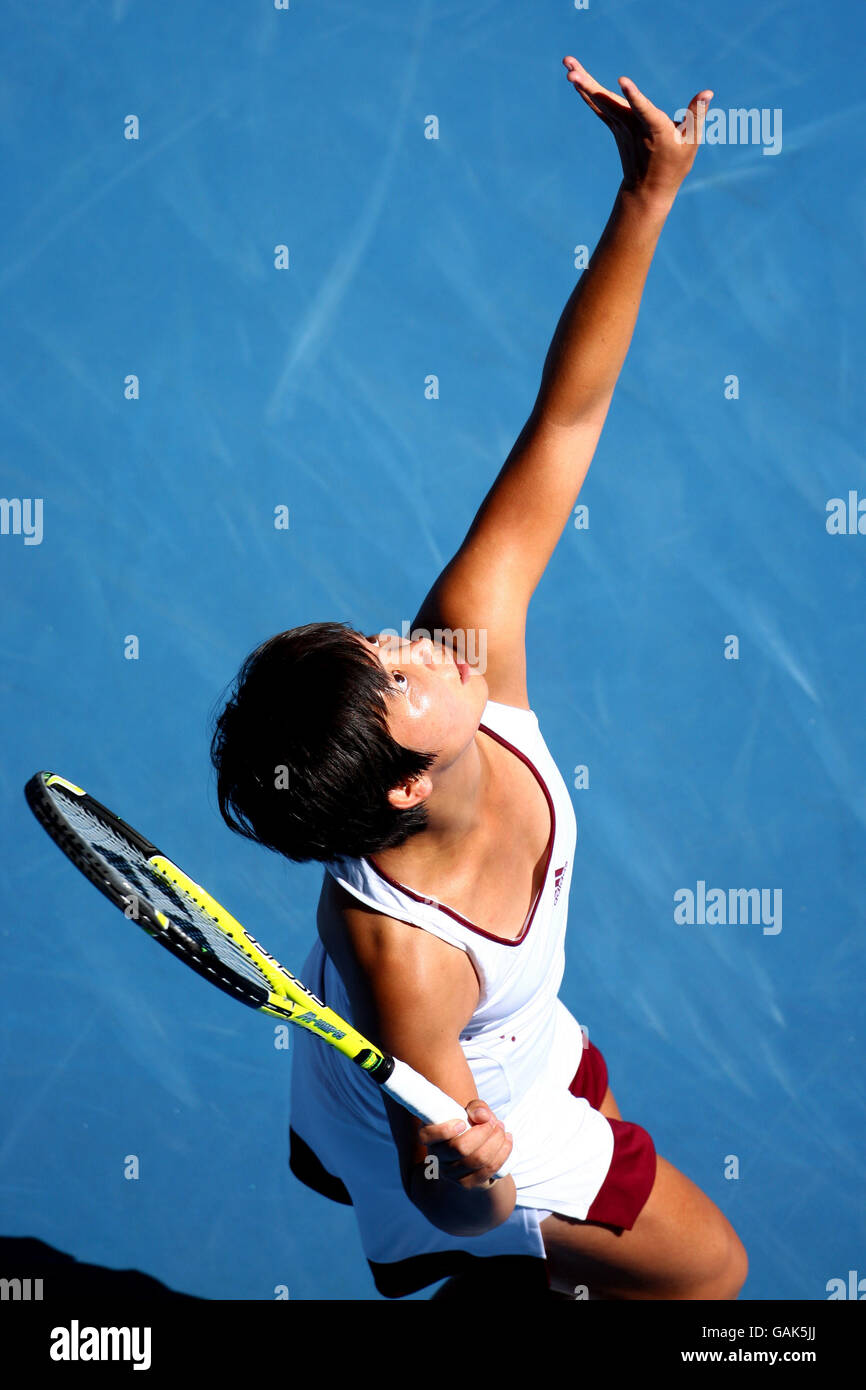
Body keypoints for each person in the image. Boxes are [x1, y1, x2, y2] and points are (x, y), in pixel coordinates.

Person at [211, 57, 748, 1301]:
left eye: (377, 639)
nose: (415, 641)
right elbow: (453, 1197)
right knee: (710, 1278)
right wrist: (471, 1168)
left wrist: (644, 198)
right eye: (396, 672)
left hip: (492, 1040)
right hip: (450, 1093)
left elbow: (563, 419)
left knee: (579, 1107)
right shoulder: (408, 964)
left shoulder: (468, 640)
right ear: (403, 788)